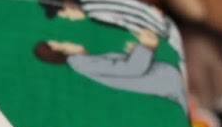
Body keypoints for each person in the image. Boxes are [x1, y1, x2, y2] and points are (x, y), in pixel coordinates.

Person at [33, 38, 186, 107]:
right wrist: (147, 47)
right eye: (62, 43)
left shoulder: (83, 62)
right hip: (168, 82)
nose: (68, 42)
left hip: (168, 81)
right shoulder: (80, 63)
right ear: (59, 51)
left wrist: (135, 52)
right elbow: (131, 69)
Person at [38, 0, 181, 55]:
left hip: (163, 33)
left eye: (63, 12)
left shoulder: (96, 12)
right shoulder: (88, 0)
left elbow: (128, 23)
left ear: (67, 5)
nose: (67, 17)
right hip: (162, 25)